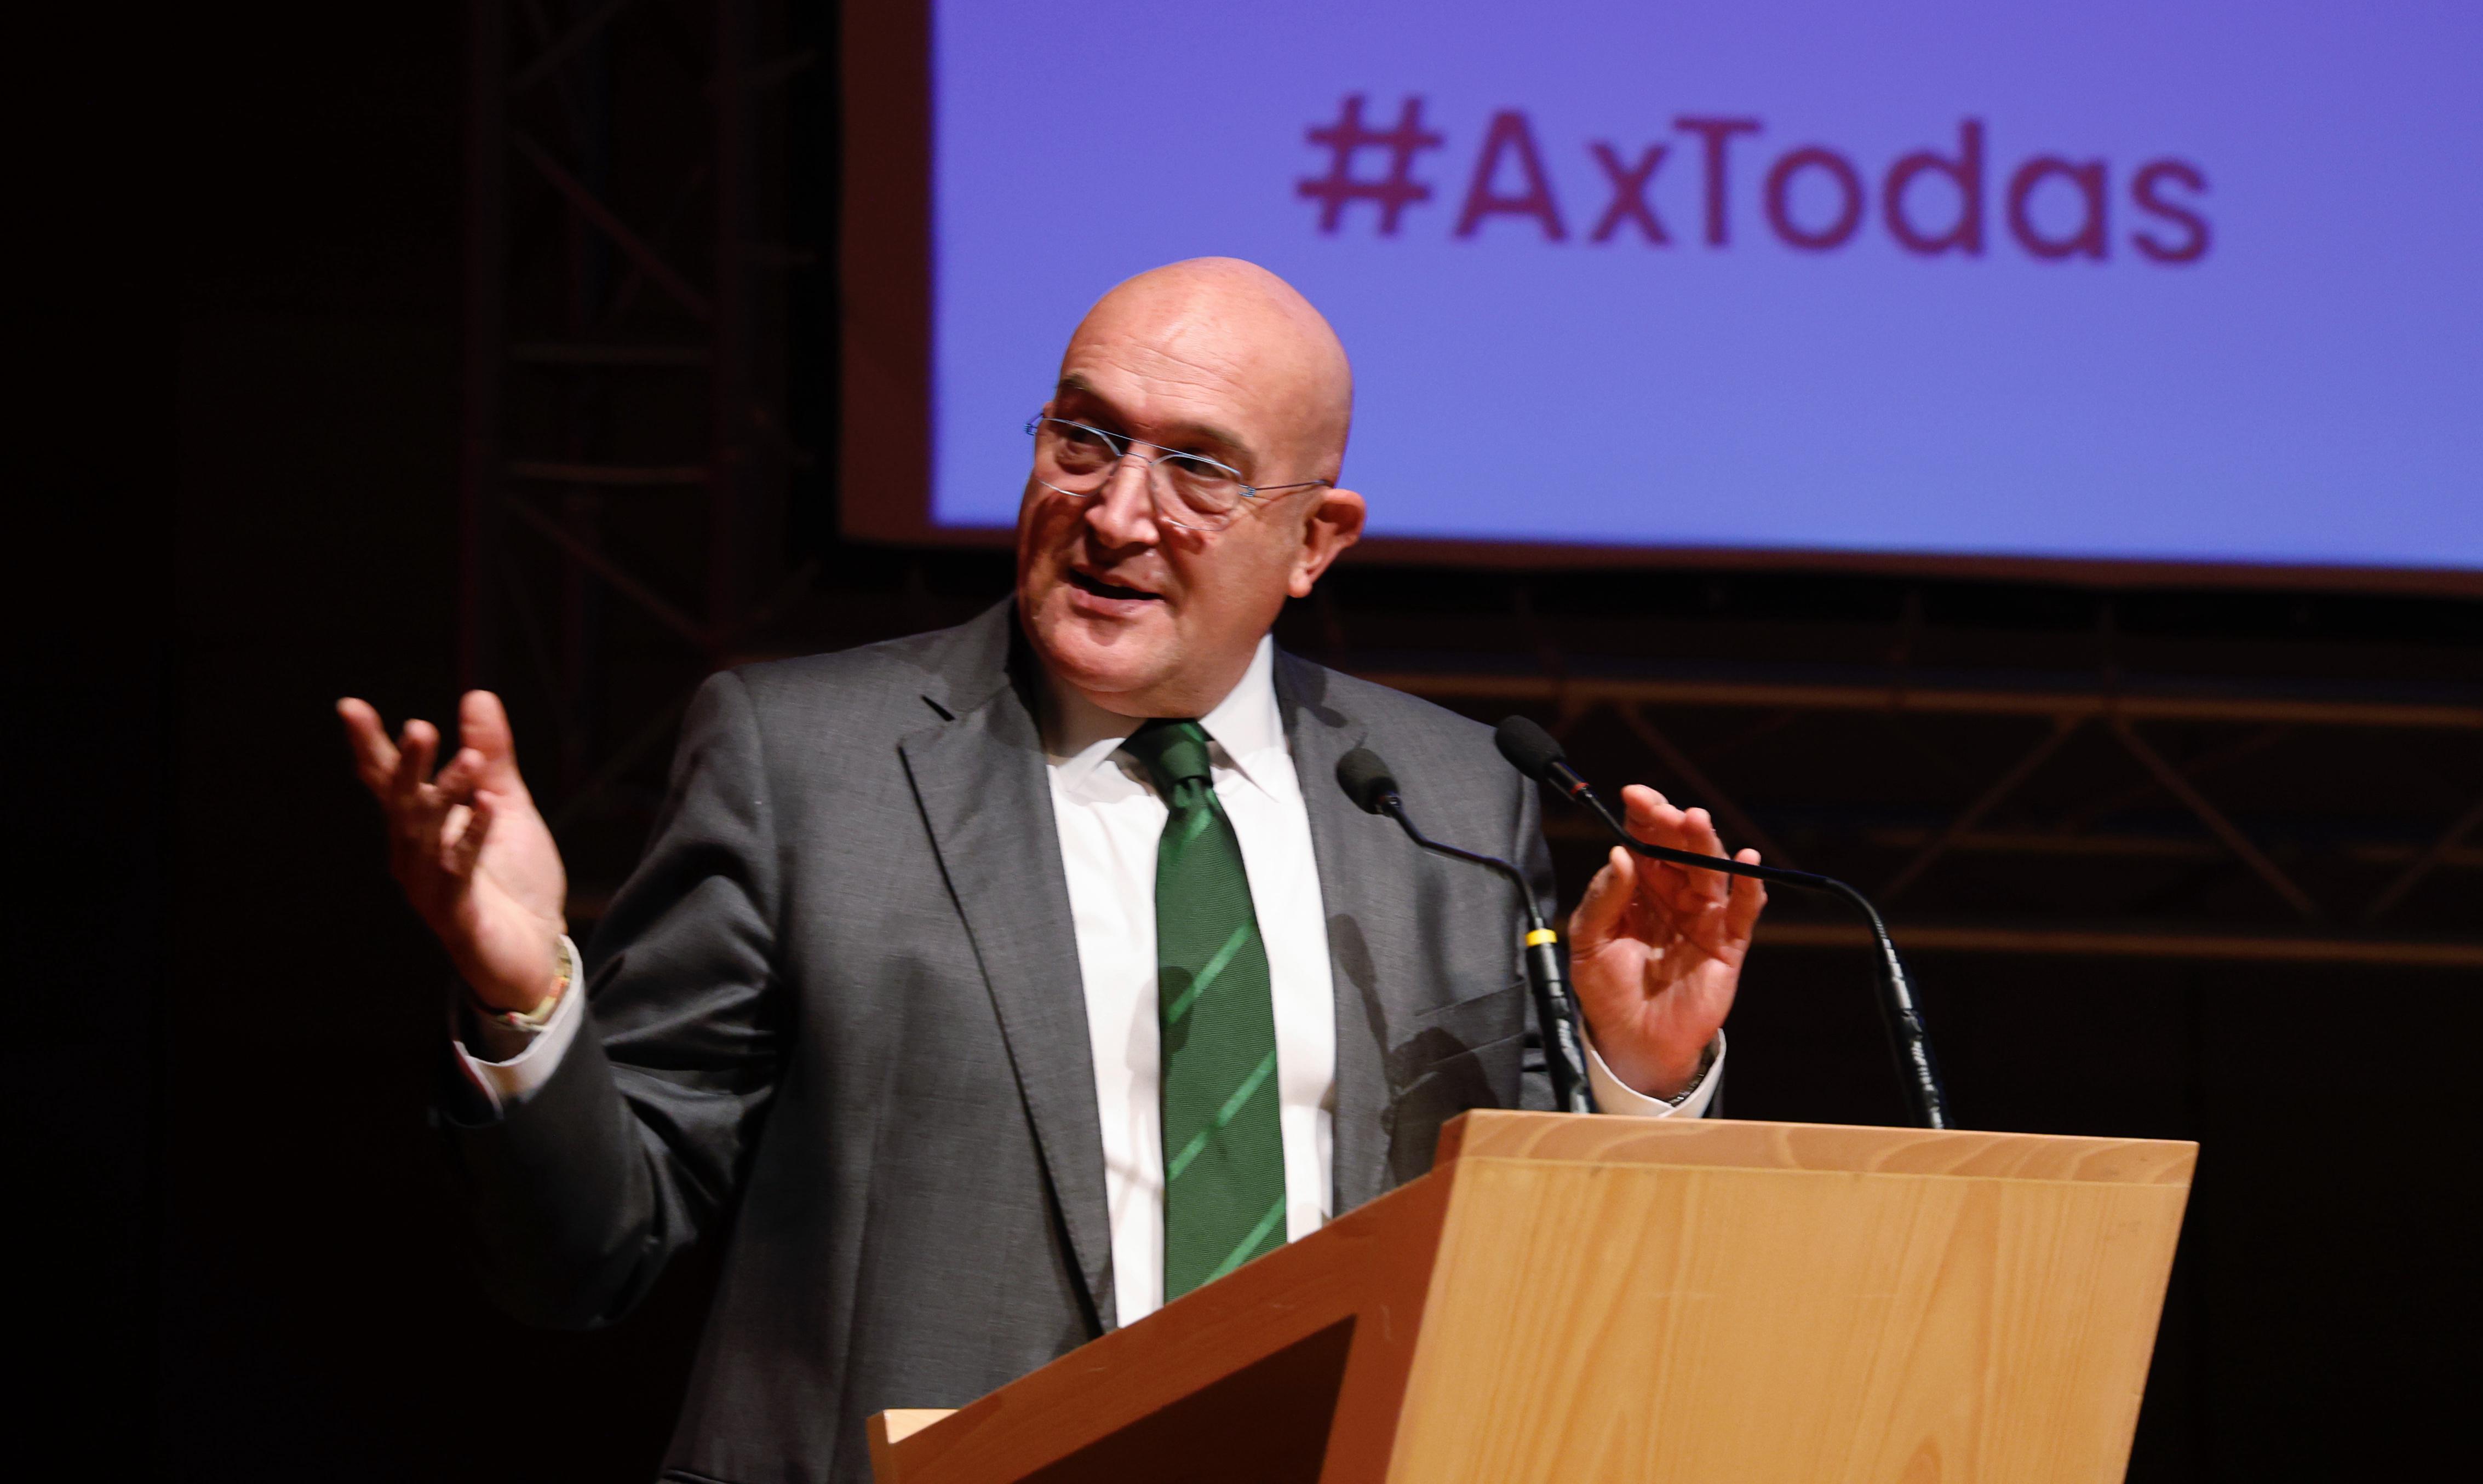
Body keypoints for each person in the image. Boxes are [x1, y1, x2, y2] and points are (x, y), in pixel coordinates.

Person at [339, 257, 1765, 1483]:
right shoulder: (807, 762)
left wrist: (1630, 1082)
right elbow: (586, 1252)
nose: (1119, 512)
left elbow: (1529, 1266)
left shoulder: (1444, 798)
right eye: (1083, 438)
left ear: (1314, 541)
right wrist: (528, 1005)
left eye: (1198, 469)